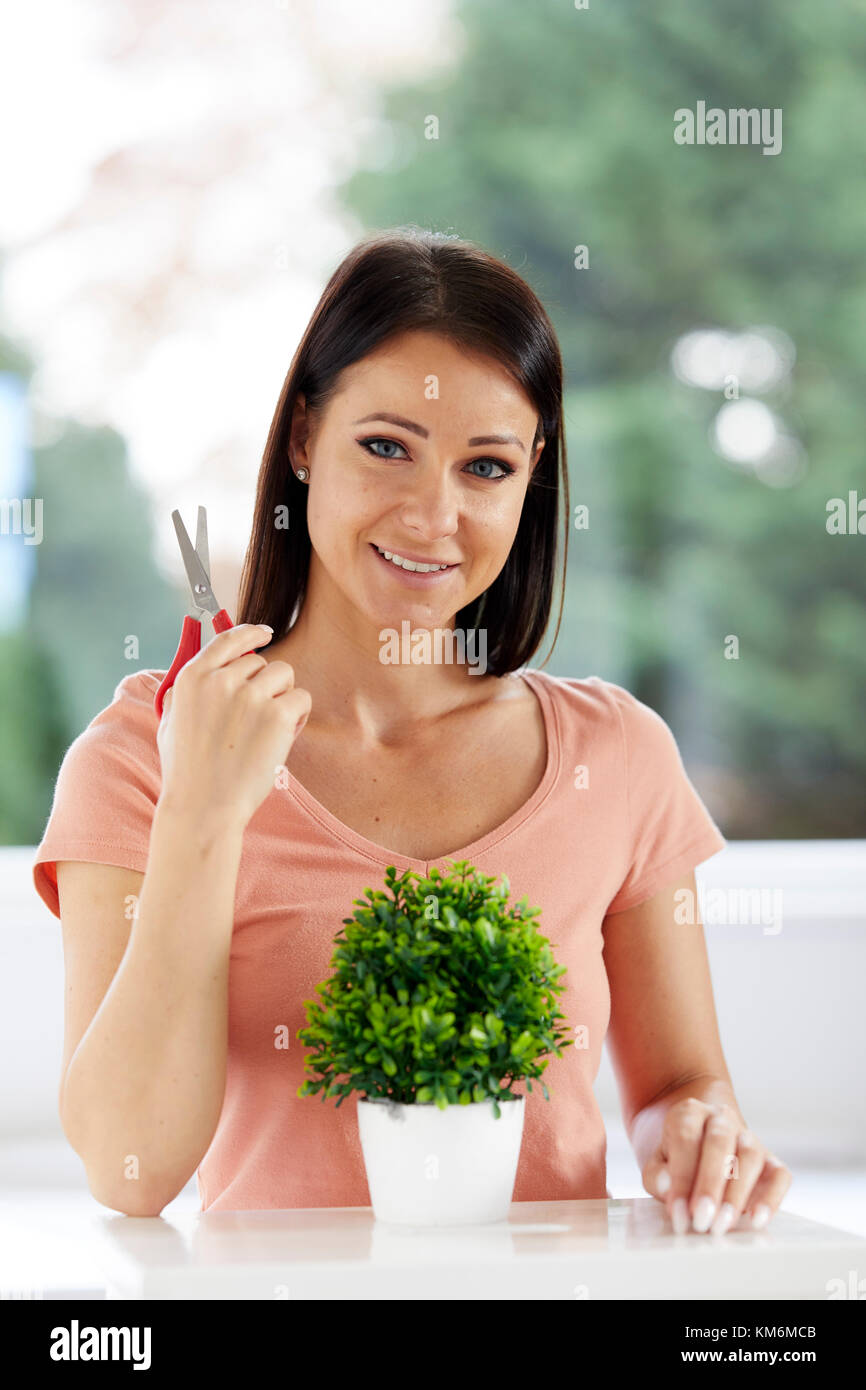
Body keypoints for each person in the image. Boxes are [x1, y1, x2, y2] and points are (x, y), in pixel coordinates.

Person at [33, 225, 791, 1234]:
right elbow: (131, 1171)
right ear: (304, 438)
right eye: (385, 446)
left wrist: (700, 1136)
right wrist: (203, 812)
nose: (433, 515)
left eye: (485, 467)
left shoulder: (614, 757)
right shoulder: (145, 755)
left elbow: (677, 1090)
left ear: (530, 480)